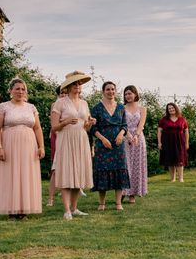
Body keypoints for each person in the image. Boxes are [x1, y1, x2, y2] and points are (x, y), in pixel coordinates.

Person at [0, 78, 45, 219]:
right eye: (17, 89)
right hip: (9, 144)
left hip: (29, 145)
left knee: (26, 174)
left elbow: (38, 128)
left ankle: (24, 208)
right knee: (11, 174)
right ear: (11, 90)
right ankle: (12, 208)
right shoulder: (3, 107)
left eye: (23, 89)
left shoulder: (31, 107)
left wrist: (41, 146)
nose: (20, 91)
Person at [51, 71, 95, 220]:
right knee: (67, 171)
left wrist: (89, 124)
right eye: (75, 84)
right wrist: (66, 122)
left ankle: (75, 208)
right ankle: (66, 210)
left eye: (80, 84)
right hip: (66, 139)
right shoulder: (60, 103)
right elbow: (54, 127)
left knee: (79, 173)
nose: (78, 86)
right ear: (69, 87)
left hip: (81, 139)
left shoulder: (84, 103)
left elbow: (85, 127)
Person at [90, 81, 130, 211]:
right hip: (103, 145)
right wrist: (102, 139)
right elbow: (93, 128)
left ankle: (118, 203)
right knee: (103, 171)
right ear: (103, 91)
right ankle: (102, 203)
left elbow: (124, 125)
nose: (110, 91)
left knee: (119, 170)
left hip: (118, 145)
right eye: (108, 89)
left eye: (113, 89)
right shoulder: (96, 108)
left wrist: (121, 135)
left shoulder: (121, 108)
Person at [122, 85, 148, 203]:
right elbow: (121, 124)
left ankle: (132, 194)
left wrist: (136, 136)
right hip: (125, 137)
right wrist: (128, 135)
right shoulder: (121, 108)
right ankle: (123, 192)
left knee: (137, 166)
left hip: (138, 138)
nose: (128, 96)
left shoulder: (142, 109)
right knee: (125, 165)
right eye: (126, 94)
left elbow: (141, 124)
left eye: (130, 93)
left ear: (135, 94)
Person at [157, 103, 189, 182]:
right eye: (169, 109)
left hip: (180, 141)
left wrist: (187, 143)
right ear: (167, 110)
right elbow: (159, 132)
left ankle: (181, 178)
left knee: (180, 159)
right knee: (170, 159)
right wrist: (159, 142)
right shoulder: (164, 120)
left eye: (172, 108)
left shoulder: (182, 119)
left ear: (176, 108)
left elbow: (186, 132)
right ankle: (173, 178)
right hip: (167, 141)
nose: (171, 109)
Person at [46, 85, 67, 207]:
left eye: (65, 93)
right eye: (61, 93)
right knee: (56, 168)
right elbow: (53, 124)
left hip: (70, 137)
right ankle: (51, 198)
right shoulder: (55, 105)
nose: (64, 95)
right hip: (58, 136)